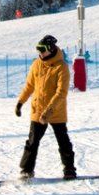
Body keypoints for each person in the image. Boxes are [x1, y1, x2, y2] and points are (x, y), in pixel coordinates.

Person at [14, 35, 76, 180]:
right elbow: (29, 86)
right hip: (38, 110)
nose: (40, 53)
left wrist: (49, 111)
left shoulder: (61, 67)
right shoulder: (37, 64)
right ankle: (26, 170)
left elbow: (61, 93)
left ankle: (69, 170)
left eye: (42, 49)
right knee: (32, 141)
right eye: (38, 49)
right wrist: (20, 102)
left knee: (63, 141)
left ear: (51, 49)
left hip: (56, 112)